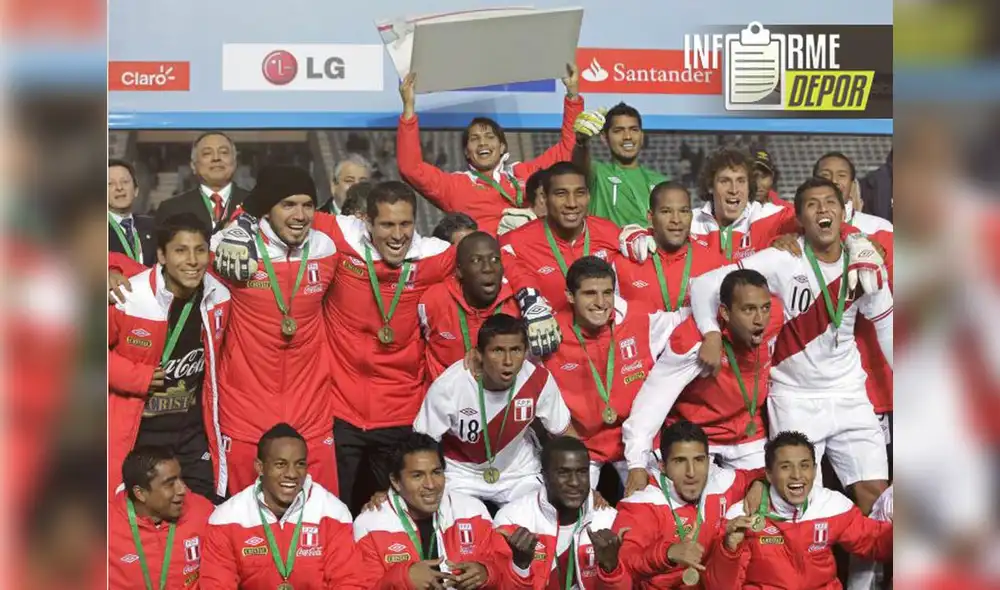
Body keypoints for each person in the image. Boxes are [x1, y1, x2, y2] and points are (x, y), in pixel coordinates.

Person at [688, 177, 892, 515]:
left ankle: (868, 554)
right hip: (794, 398)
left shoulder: (864, 260)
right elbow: (705, 284)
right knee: (801, 507)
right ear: (799, 218)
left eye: (830, 202)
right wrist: (710, 332)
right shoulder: (783, 258)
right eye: (812, 204)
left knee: (877, 499)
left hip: (849, 393)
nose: (823, 209)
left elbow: (888, 328)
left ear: (843, 213)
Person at [209, 165, 341, 496]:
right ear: (267, 208)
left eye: (308, 205)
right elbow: (176, 268)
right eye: (288, 205)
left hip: (311, 411)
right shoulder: (231, 249)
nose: (300, 215)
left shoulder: (326, 249)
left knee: (319, 513)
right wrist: (112, 270)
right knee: (246, 516)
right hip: (245, 411)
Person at [108, 212, 230, 501]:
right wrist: (135, 376)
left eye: (200, 250)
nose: (192, 260)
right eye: (181, 250)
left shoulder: (220, 297)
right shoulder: (129, 296)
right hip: (140, 433)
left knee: (204, 508)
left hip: (191, 434)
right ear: (162, 255)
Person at [623, 269, 781, 491]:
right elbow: (652, 402)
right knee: (692, 502)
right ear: (725, 313)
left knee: (769, 495)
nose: (759, 319)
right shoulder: (691, 342)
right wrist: (637, 463)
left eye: (764, 308)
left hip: (747, 432)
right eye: (748, 310)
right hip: (696, 436)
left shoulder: (775, 318)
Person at [543, 257, 686, 491]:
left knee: (656, 504)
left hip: (637, 443)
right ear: (570, 296)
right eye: (590, 294)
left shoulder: (638, 319)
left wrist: (711, 331)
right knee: (571, 507)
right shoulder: (550, 334)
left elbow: (686, 317)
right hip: (583, 447)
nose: (601, 303)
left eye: (607, 293)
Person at [396, 66, 584, 236]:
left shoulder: (524, 173)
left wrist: (573, 95)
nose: (482, 143)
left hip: (528, 255)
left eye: (489, 137)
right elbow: (411, 168)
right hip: (486, 259)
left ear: (502, 147)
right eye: (474, 139)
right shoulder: (455, 186)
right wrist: (409, 110)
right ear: (467, 152)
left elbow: (567, 150)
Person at [414, 314, 573, 507]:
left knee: (537, 518)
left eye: (516, 350)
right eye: (497, 351)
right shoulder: (449, 386)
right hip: (461, 474)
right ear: (478, 354)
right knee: (463, 522)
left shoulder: (539, 380)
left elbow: (565, 434)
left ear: (526, 352)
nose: (508, 360)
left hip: (519, 473)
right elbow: (419, 446)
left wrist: (586, 488)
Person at [620, 147, 867, 266]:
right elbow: (645, 232)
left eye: (741, 181)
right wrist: (634, 235)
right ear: (710, 186)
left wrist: (857, 241)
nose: (734, 189)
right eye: (724, 181)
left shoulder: (770, 216)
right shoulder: (690, 221)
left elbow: (822, 218)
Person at [706, 432, 892, 589]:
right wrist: (729, 549)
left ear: (814, 470)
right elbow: (719, 587)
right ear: (769, 474)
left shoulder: (831, 506)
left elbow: (875, 542)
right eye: (785, 467)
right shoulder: (741, 516)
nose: (797, 475)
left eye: (804, 466)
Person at [200, 423, 362, 589]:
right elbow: (216, 585)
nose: (292, 474)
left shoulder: (333, 512)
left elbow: (349, 582)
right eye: (280, 464)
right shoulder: (226, 518)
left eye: (300, 464)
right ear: (260, 467)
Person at [813, 152, 895, 467]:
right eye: (825, 174)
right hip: (818, 375)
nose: (833, 181)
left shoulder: (880, 229)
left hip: (872, 372)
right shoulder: (800, 231)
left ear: (853, 184)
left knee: (877, 471)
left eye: (841, 175)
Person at [613, 421, 764, 588]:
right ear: (663, 466)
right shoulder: (642, 505)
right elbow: (622, 565)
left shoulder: (722, 483)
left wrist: (759, 483)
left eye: (699, 460)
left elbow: (771, 471)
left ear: (708, 461)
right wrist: (667, 554)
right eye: (680, 461)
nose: (691, 472)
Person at [353, 433, 513, 589]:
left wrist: (487, 573)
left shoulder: (472, 511)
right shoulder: (370, 525)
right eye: (417, 476)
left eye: (436, 472)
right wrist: (403, 579)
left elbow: (507, 574)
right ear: (396, 481)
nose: (431, 485)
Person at [494, 436, 631, 588]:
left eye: (582, 472)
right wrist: (520, 567)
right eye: (563, 473)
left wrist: (611, 568)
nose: (574, 482)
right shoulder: (512, 519)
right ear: (544, 476)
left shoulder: (610, 521)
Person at [500, 161, 621, 313]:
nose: (572, 203)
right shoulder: (516, 242)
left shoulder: (610, 232)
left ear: (588, 196)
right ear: (544, 198)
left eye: (579, 193)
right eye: (561, 194)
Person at [417, 231, 520, 381]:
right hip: (446, 393)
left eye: (494, 259)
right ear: (459, 271)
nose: (488, 268)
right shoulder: (434, 300)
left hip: (503, 392)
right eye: (476, 260)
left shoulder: (517, 303)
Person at [109, 447, 215, 590]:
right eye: (170, 484)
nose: (182, 490)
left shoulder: (203, 512)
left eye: (180, 479)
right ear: (140, 493)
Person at [615, 182, 727, 311]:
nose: (676, 220)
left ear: (691, 215)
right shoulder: (623, 261)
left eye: (683, 211)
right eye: (666, 211)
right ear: (650, 216)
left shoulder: (714, 263)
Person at [573, 102, 669, 227]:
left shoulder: (661, 182)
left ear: (642, 136)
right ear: (604, 138)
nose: (627, 136)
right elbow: (578, 169)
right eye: (618, 131)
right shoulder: (596, 173)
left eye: (634, 130)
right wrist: (581, 142)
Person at [154, 132, 249, 233]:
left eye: (224, 152)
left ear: (235, 162)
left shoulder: (256, 205)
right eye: (207, 153)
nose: (216, 158)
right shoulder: (172, 209)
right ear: (193, 165)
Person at [108, 158, 156, 266]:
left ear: (136, 190)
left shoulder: (153, 226)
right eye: (110, 183)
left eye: (125, 182)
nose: (119, 188)